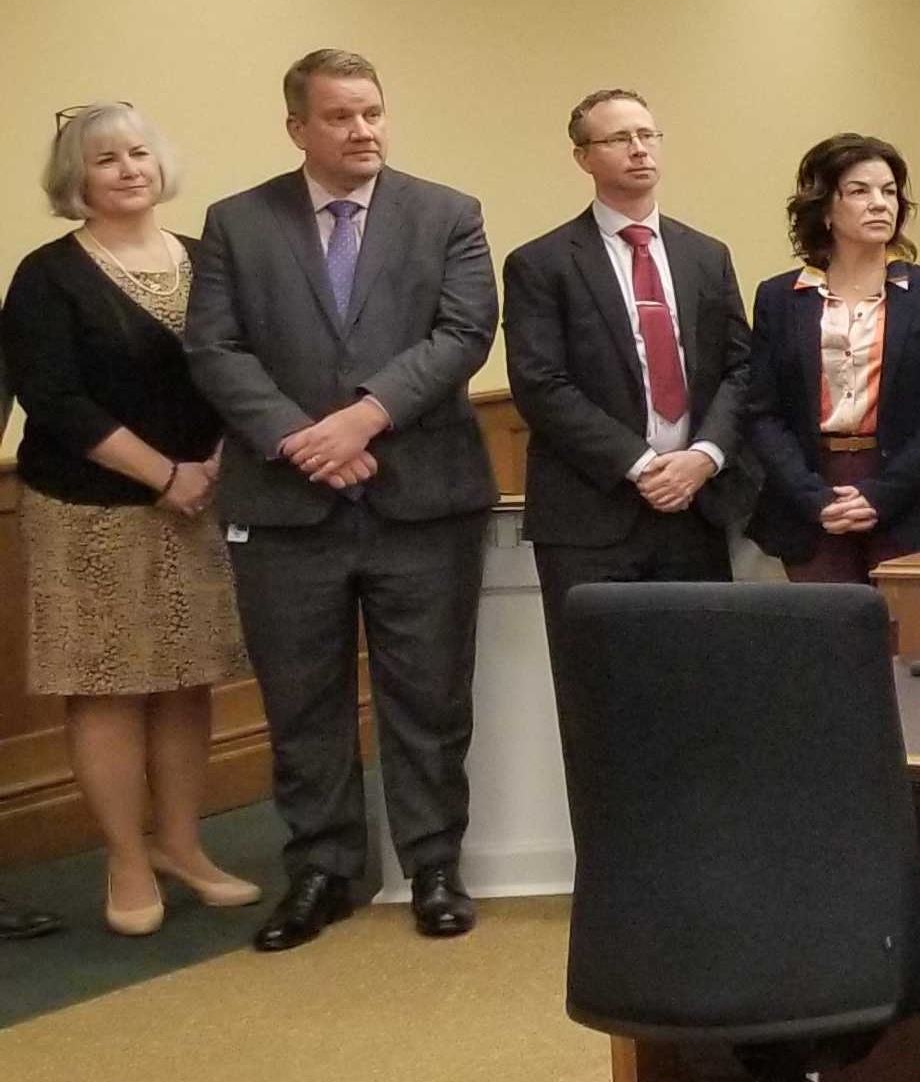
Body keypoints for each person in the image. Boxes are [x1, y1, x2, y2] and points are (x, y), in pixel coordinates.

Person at [185, 48, 499, 952]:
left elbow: (463, 333)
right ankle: (321, 870)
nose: (362, 130)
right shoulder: (237, 224)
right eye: (339, 117)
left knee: (429, 697)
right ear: (298, 129)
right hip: (285, 508)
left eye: (372, 113)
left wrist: (361, 420)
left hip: (423, 502)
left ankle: (434, 864)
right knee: (302, 701)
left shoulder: (446, 214)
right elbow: (215, 349)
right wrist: (299, 437)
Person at [8, 105, 246, 940]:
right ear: (77, 179)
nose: (127, 169)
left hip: (201, 498)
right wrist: (162, 475)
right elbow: (54, 398)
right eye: (105, 158)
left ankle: (181, 844)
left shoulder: (206, 261)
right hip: (88, 510)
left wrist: (208, 467)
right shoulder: (47, 274)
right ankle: (125, 857)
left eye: (139, 152)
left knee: (187, 679)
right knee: (108, 685)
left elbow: (239, 368)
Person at [500, 88, 752, 622]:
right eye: (619, 139)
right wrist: (641, 467)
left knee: (701, 680)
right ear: (583, 157)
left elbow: (740, 369)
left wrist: (703, 458)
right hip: (591, 515)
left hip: (696, 508)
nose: (639, 149)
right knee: (598, 686)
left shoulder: (706, 256)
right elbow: (539, 383)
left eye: (647, 135)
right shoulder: (541, 263)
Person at [742, 135, 920, 581]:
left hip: (907, 493)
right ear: (825, 208)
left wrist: (882, 494)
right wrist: (814, 497)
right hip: (810, 492)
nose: (880, 204)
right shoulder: (779, 297)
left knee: (907, 640)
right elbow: (762, 413)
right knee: (827, 639)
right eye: (860, 191)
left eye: (889, 192)